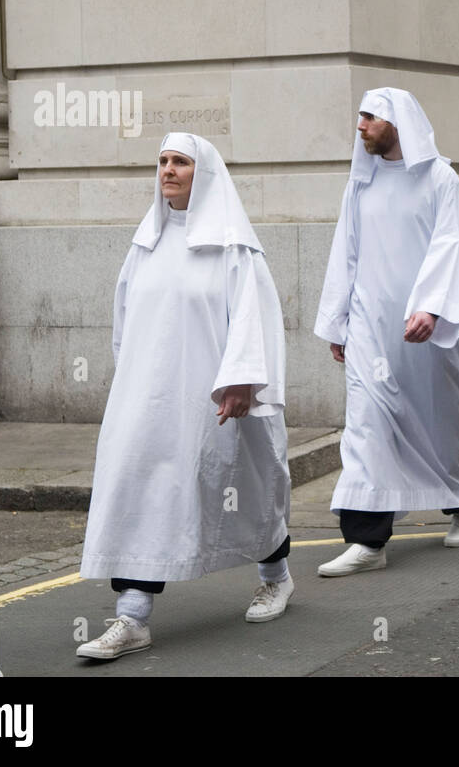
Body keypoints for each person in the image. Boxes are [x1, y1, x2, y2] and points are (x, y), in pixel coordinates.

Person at [77, 133, 292, 661]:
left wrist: (242, 381)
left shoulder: (234, 249)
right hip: (147, 398)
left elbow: (254, 320)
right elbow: (124, 321)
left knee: (248, 488)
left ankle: (277, 577)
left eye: (181, 163)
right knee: (139, 489)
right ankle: (132, 616)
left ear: (205, 174)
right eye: (163, 161)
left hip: (216, 400)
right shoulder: (145, 243)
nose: (168, 170)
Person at [315, 89, 459, 575]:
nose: (361, 125)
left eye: (369, 117)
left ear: (396, 122)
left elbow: (452, 243)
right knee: (367, 423)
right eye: (360, 117)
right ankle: (368, 541)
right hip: (370, 325)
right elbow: (346, 252)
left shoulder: (439, 178)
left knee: (441, 417)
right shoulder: (361, 184)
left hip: (426, 329)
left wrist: (431, 307)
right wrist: (338, 320)